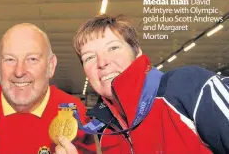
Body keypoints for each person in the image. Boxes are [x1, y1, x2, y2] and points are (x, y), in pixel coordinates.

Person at [72, 14, 229, 154]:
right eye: (89, 57)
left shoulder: (188, 87)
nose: (102, 62)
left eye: (113, 48)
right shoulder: (105, 131)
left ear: (137, 52)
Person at [0, 23, 98, 154]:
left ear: (51, 66)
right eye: (10, 59)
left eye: (32, 59)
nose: (19, 71)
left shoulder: (73, 111)